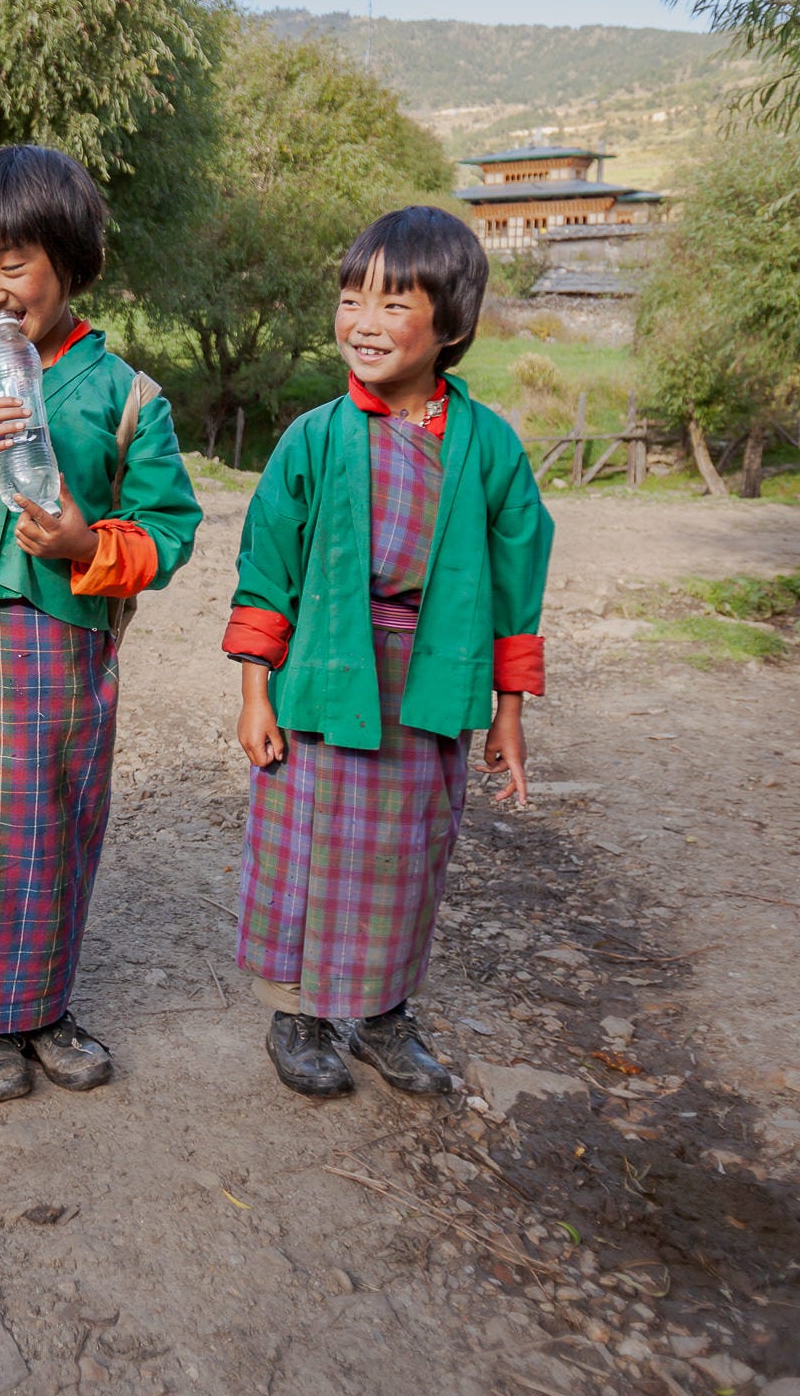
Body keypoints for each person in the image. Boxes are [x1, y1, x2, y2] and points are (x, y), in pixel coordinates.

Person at [0, 144, 202, 1104]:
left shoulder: (127, 395)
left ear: (70, 261)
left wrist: (82, 544)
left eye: (12, 266)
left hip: (61, 653)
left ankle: (46, 1008)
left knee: (52, 828)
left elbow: (167, 530)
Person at [223, 205, 552, 1099]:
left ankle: (381, 1014)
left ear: (451, 326)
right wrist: (256, 694)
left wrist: (507, 716)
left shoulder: (487, 451)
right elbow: (266, 576)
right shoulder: (315, 439)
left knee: (405, 854)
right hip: (322, 680)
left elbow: (518, 586)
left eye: (393, 305)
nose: (363, 323)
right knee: (302, 850)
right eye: (349, 299)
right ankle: (296, 1018)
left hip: (429, 682)